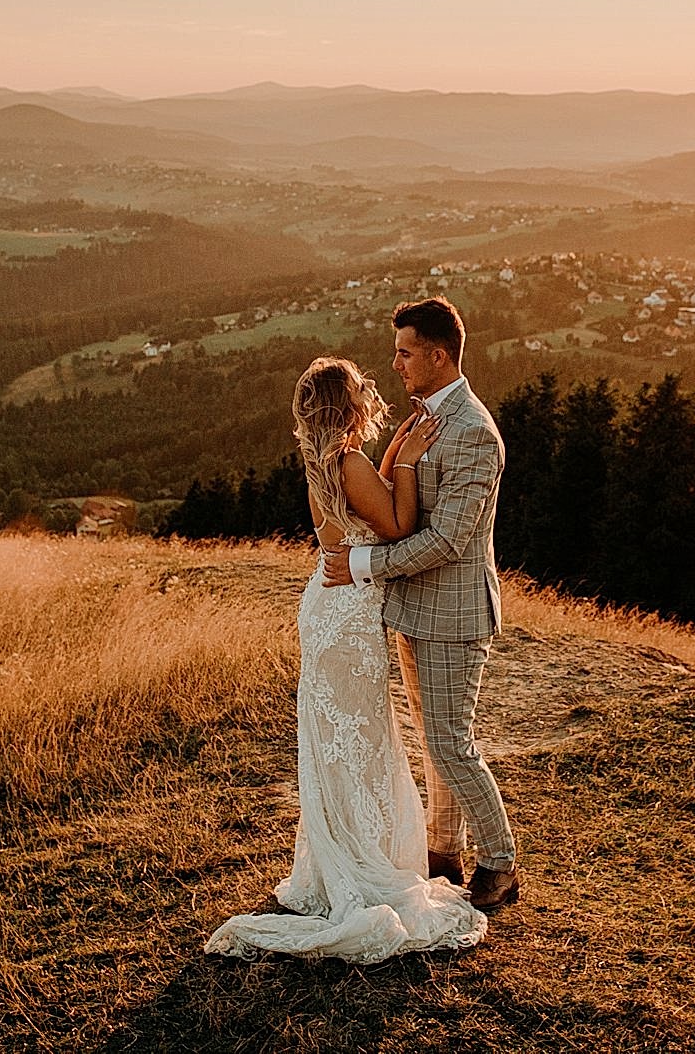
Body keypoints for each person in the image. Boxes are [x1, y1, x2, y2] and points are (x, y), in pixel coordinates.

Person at [205, 356, 486, 962]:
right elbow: (397, 522)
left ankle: (338, 858)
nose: (373, 392)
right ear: (348, 404)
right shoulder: (351, 463)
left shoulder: (329, 462)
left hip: (327, 609)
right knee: (359, 742)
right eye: (363, 389)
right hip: (350, 617)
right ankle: (365, 864)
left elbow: (368, 498)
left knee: (338, 744)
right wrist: (407, 460)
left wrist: (390, 461)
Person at [321, 297, 519, 911]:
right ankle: (441, 852)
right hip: (412, 609)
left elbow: (447, 540)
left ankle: (501, 864)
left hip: (455, 616)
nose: (396, 363)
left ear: (438, 356)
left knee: (452, 743)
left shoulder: (473, 434)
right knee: (433, 741)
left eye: (405, 352)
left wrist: (359, 565)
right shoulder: (424, 420)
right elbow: (394, 504)